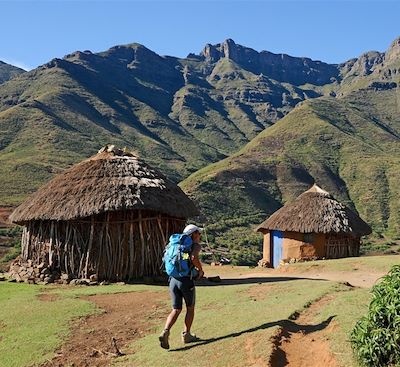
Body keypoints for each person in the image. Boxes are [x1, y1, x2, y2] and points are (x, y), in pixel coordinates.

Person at [159, 224, 205, 349]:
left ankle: (165, 331)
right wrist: (200, 270)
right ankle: (187, 334)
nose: (199, 236)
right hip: (186, 281)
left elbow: (181, 258)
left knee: (176, 309)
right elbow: (193, 257)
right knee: (190, 308)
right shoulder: (194, 245)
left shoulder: (174, 245)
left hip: (173, 280)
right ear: (193, 234)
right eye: (198, 233)